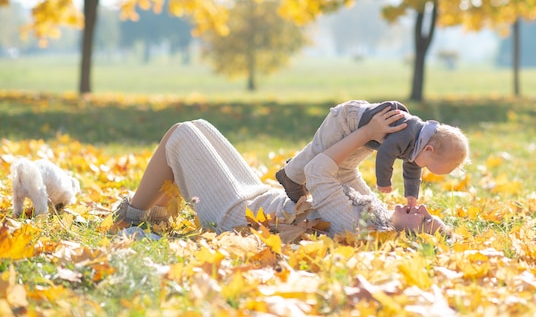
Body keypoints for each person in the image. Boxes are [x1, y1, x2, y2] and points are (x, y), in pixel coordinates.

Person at [113, 107, 450, 237]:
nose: (421, 207)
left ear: (412, 237)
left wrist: (364, 135)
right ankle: (150, 214)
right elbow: (343, 172)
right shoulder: (375, 215)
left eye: (424, 220)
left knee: (182, 134)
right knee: (196, 126)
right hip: (259, 197)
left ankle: (132, 215)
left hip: (237, 215)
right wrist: (374, 131)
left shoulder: (359, 226)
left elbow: (319, 171)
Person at [275, 100, 470, 208]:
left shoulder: (421, 145)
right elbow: (385, 154)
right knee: (321, 152)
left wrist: (411, 194)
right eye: (427, 166)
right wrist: (384, 182)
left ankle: (299, 167)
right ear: (429, 149)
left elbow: (412, 169)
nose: (422, 168)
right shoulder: (406, 133)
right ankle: (290, 176)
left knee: (335, 162)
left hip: (364, 135)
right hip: (346, 120)